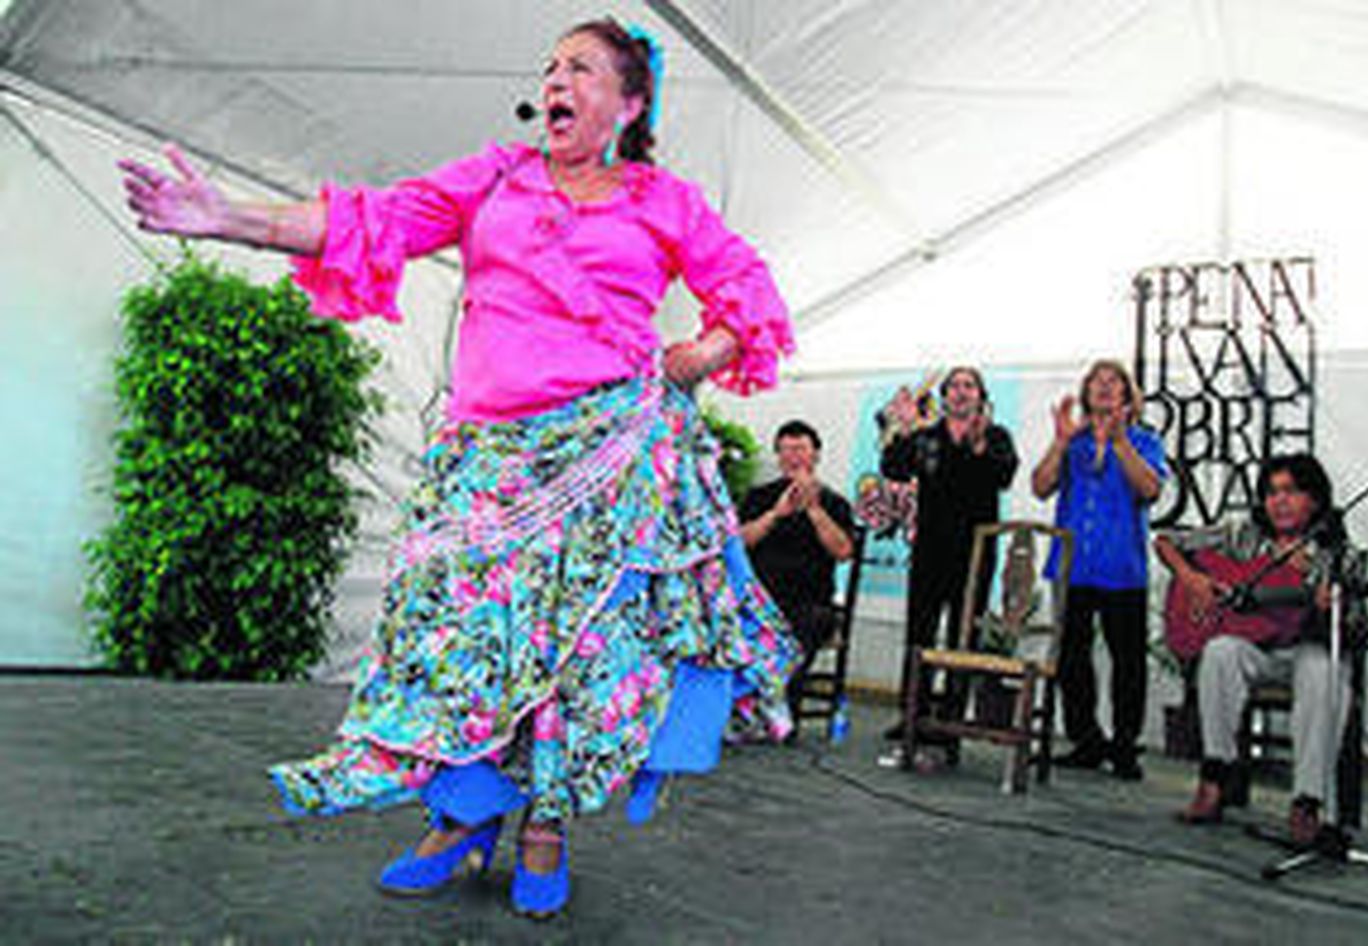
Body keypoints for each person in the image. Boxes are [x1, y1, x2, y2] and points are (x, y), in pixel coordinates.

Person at [118, 18, 798, 920]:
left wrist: (701, 354)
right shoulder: (494, 177)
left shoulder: (663, 201)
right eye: (551, 67)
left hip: (604, 456)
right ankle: (463, 815)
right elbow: (371, 221)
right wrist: (228, 219)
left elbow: (748, 289)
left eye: (581, 69)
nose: (556, 81)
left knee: (567, 654)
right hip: (482, 464)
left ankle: (546, 826)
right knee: (460, 645)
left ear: (630, 103)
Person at [1157, 453, 1358, 845]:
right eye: (1271, 492)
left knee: (1324, 672)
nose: (1279, 501)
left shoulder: (1336, 552)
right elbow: (1166, 542)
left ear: (1315, 500)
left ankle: (1307, 800)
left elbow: (1354, 627)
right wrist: (1192, 579)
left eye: (1292, 491)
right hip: (1257, 648)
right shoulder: (1242, 535)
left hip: (1306, 650)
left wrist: (1334, 607)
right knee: (1219, 652)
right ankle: (1216, 776)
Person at [1030, 359, 1165, 780]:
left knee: (1128, 660)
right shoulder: (1074, 441)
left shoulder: (1144, 440)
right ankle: (1085, 740)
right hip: (1072, 566)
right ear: (1086, 393)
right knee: (1072, 657)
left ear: (1127, 395)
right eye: (1097, 382)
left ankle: (1125, 746)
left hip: (1122, 567)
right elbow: (1040, 487)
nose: (1105, 388)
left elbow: (1151, 489)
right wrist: (1059, 442)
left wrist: (1121, 443)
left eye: (1114, 383)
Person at [879, 367, 1019, 749]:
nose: (960, 392)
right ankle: (912, 714)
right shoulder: (927, 437)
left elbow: (1004, 475)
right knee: (919, 632)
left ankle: (953, 719)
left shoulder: (996, 436)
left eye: (968, 385)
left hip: (975, 553)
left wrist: (977, 448)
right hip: (930, 550)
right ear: (944, 396)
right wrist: (904, 429)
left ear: (980, 395)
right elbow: (892, 467)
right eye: (954, 386)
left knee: (963, 633)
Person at [738, 420, 856, 729]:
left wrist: (815, 510)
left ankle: (777, 704)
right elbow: (738, 543)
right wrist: (775, 515)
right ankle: (752, 706)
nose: (794, 457)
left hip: (810, 600)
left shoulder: (835, 503)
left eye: (801, 449)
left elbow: (843, 551)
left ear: (816, 456)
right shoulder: (758, 497)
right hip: (761, 597)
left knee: (809, 622)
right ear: (778, 457)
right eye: (787, 450)